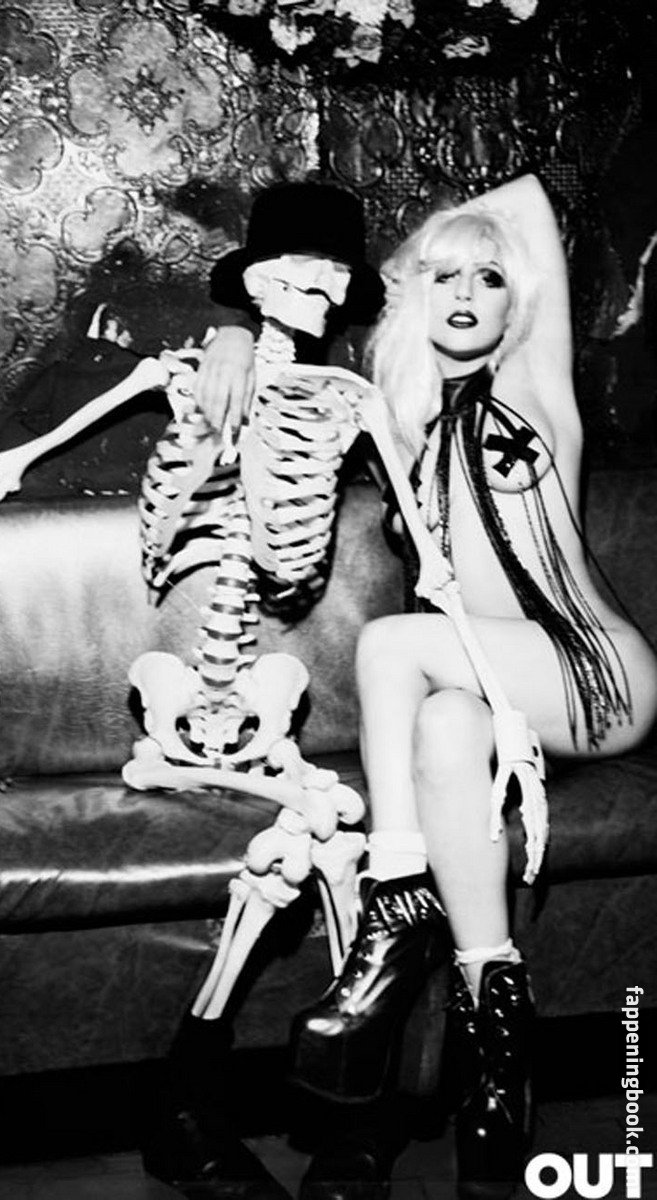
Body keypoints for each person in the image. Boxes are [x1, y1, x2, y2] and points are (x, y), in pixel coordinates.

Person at [283, 175, 657, 1200]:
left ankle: (392, 903)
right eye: (442, 278)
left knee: (391, 646)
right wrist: (241, 335)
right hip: (495, 690)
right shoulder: (408, 430)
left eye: (487, 279)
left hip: (590, 669)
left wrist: (416, 254)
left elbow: (527, 201)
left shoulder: (534, 388)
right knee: (445, 725)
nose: (462, 293)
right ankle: (498, 1051)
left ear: (514, 303)